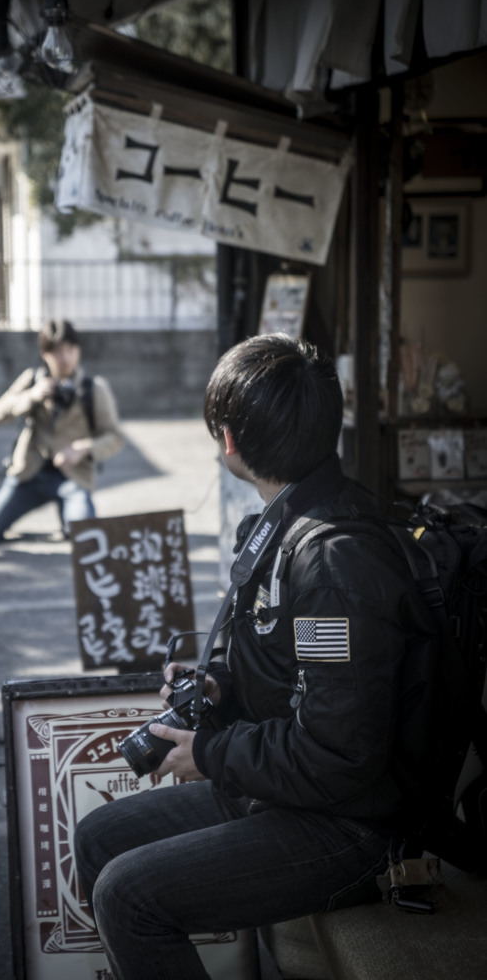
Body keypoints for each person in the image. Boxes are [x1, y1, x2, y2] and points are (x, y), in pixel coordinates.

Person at [73, 333, 439, 980]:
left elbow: (338, 753)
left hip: (346, 828)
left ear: (230, 441)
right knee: (99, 837)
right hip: (283, 791)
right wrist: (218, 684)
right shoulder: (290, 520)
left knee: (127, 896)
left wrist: (209, 753)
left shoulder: (332, 561)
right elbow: (295, 674)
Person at [0, 319, 123, 544]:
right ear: (45, 354)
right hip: (30, 473)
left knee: (84, 538)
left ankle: (68, 519)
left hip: (73, 476)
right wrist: (31, 396)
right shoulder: (32, 379)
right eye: (57, 352)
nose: (65, 358)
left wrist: (82, 448)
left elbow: (114, 437)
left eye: (70, 350)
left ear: (78, 350)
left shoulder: (94, 388)